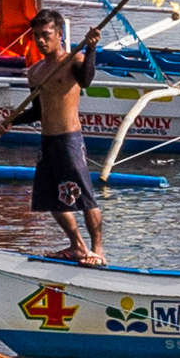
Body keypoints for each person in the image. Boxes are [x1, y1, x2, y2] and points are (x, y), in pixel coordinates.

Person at [19, 25, 106, 269]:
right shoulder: (35, 72)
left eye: (45, 35)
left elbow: (87, 81)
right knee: (51, 200)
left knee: (85, 198)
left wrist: (91, 48)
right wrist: (8, 122)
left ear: (59, 35)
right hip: (48, 141)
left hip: (70, 139)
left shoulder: (73, 60)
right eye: (36, 36)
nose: (40, 40)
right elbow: (37, 111)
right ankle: (77, 246)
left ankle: (97, 250)